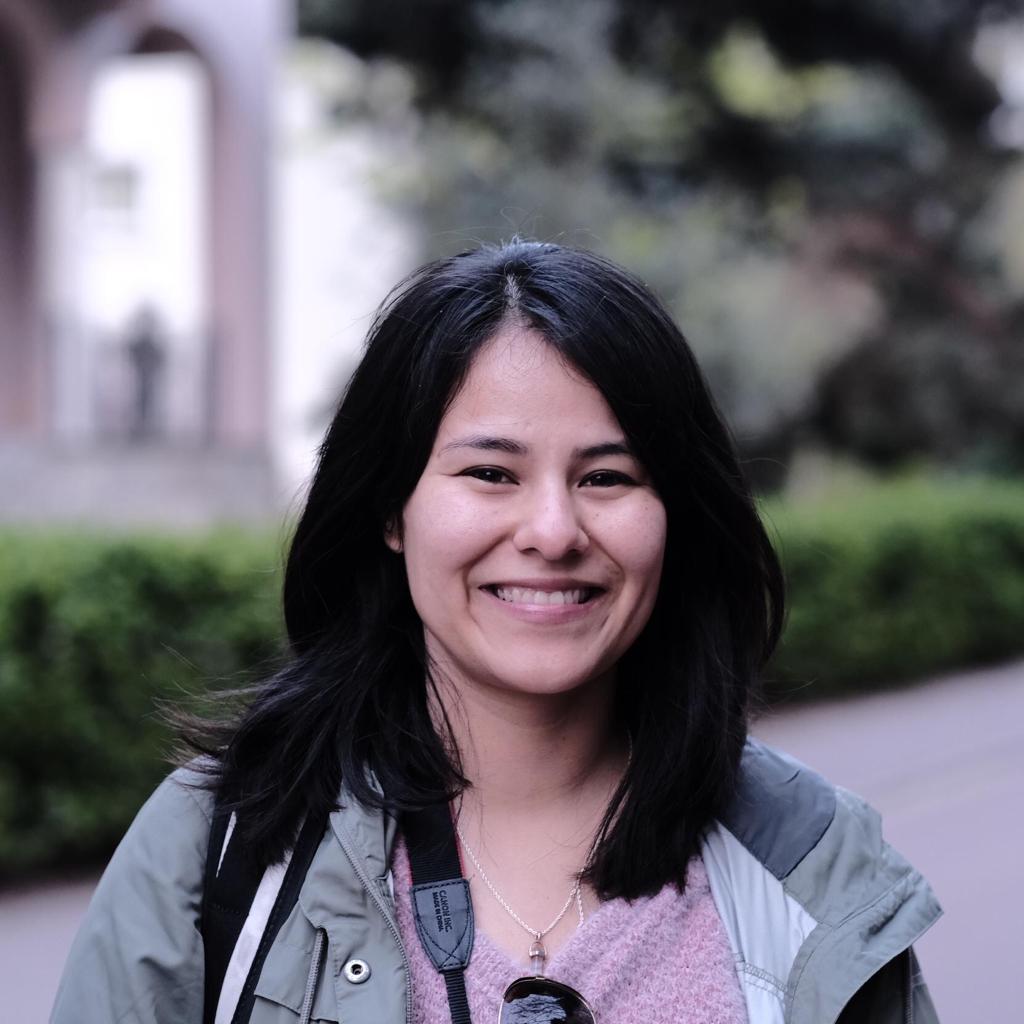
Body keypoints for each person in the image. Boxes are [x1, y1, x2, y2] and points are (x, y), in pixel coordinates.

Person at [51, 240, 941, 1024]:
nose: (553, 532)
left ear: (677, 513)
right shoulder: (219, 849)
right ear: (391, 508)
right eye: (490, 473)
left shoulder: (809, 861)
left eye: (606, 478)